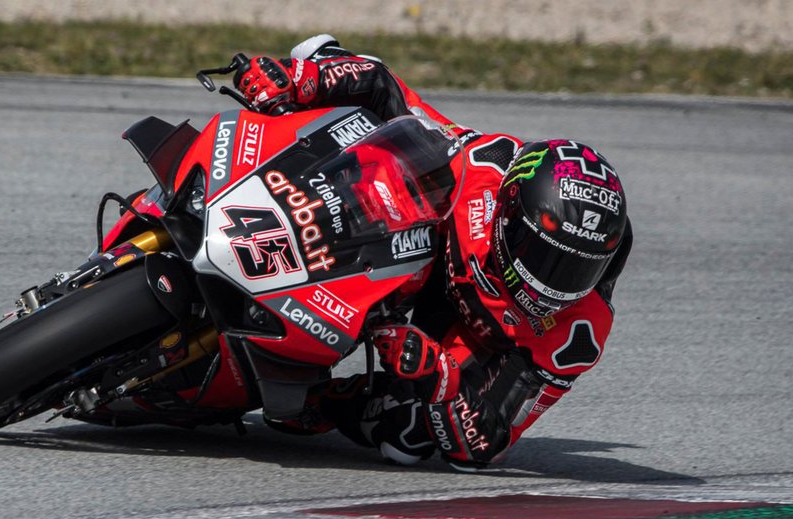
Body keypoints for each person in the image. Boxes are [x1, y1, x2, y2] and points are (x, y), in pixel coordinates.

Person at [234, 35, 633, 471]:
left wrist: (440, 380)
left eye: (577, 269)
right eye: (544, 257)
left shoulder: (575, 335)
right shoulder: (482, 166)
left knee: (407, 438)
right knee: (349, 113)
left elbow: (487, 443)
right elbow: (388, 91)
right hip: (406, 250)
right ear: (509, 209)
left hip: (451, 340)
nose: (554, 281)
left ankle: (323, 399)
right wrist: (301, 81)